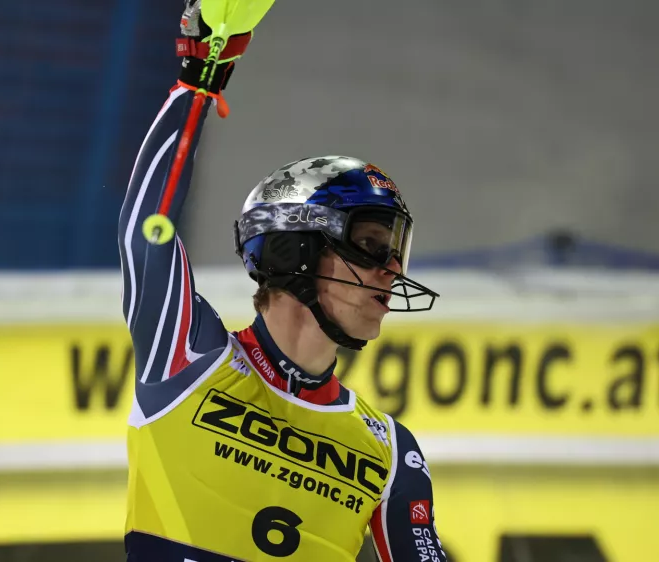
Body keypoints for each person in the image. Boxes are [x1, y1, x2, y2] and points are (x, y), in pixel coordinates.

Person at [119, 2, 447, 561]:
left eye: (396, 253)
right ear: (296, 248)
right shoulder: (189, 359)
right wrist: (196, 84)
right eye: (372, 247)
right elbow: (145, 235)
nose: (392, 271)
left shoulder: (392, 450)